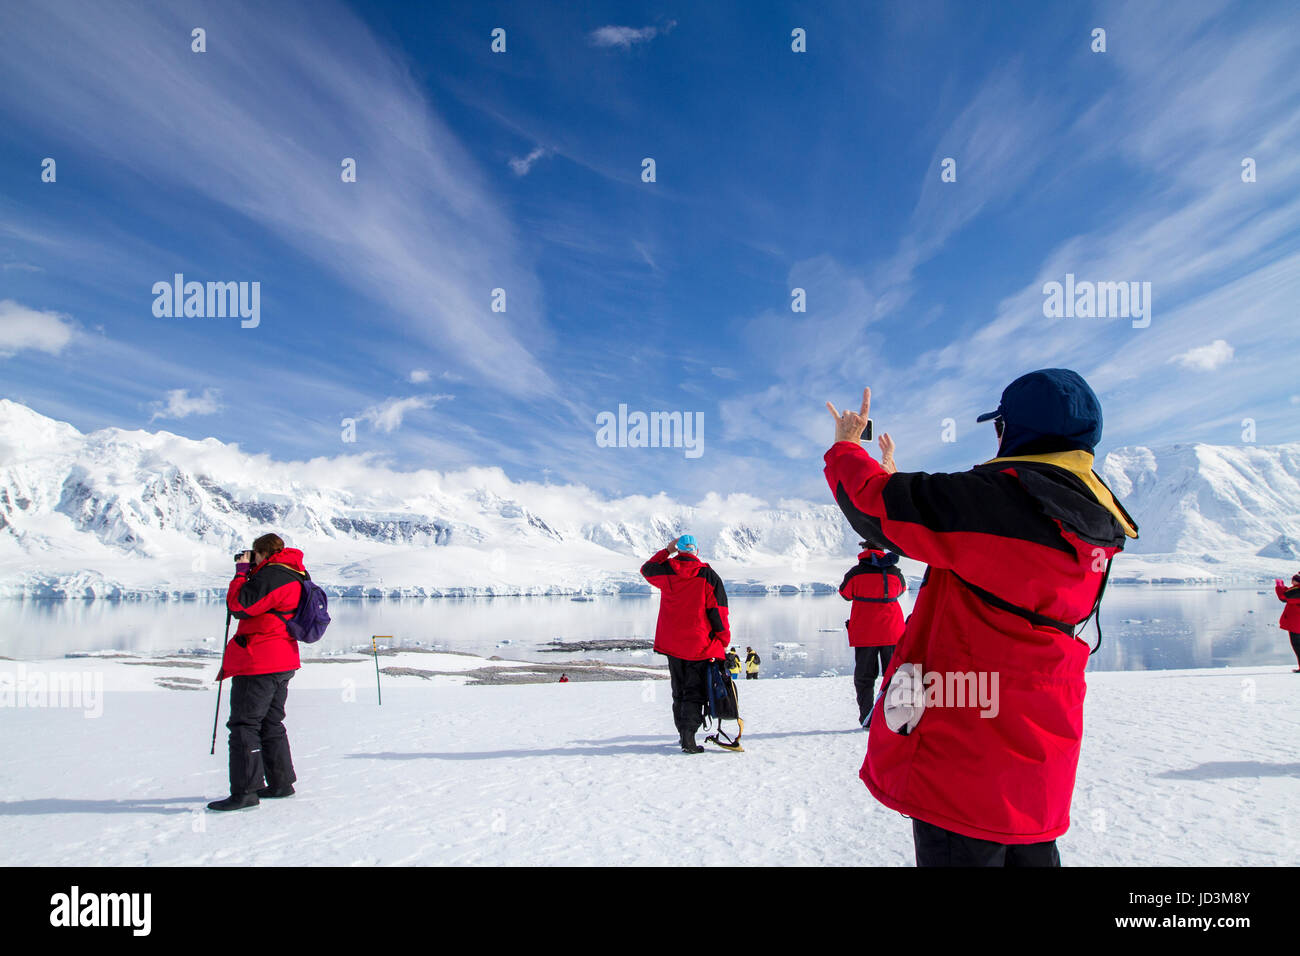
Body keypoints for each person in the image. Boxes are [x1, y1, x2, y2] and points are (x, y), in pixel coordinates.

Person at [824, 369, 1138, 866]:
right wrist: (890, 474)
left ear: (1012, 430)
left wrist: (847, 448)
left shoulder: (998, 496)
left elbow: (877, 507)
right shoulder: (1092, 515)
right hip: (1037, 750)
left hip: (965, 754)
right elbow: (948, 534)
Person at [207, 533, 307, 812]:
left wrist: (241, 574)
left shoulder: (274, 576)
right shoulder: (295, 572)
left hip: (259, 661)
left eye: (254, 554)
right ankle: (280, 783)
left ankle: (245, 792)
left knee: (244, 725)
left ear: (262, 552)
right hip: (283, 659)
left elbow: (240, 605)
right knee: (270, 723)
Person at [640, 534, 730, 753]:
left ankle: (683, 734)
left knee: (678, 690)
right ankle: (688, 739)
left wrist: (667, 550)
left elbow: (647, 569)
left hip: (673, 645)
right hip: (699, 646)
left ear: (679, 550)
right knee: (694, 692)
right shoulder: (708, 575)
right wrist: (723, 638)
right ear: (696, 551)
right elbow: (718, 612)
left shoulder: (668, 570)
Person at [839, 544, 907, 727]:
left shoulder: (856, 572)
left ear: (865, 549)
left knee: (864, 678)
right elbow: (902, 590)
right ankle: (893, 719)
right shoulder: (894, 572)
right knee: (893, 677)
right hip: (892, 631)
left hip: (865, 633)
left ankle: (867, 719)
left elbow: (845, 594)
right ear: (882, 550)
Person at [1274, 572, 1300, 671]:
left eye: (1294, 579)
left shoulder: (1297, 590)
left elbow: (1284, 597)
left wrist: (1279, 585)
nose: (1292, 581)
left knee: (1297, 646)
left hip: (1296, 625)